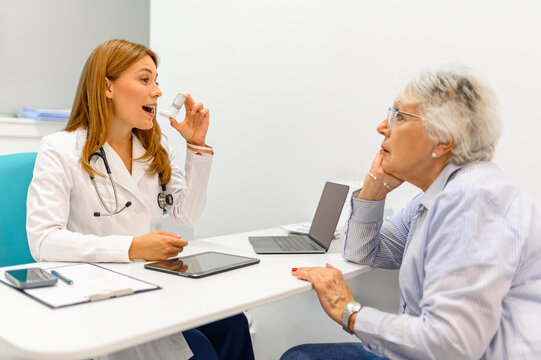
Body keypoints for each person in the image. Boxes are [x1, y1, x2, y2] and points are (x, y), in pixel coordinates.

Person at [281, 66, 541, 359]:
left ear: (443, 139)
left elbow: (450, 346)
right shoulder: (440, 196)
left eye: (399, 116)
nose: (382, 126)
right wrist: (373, 192)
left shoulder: (473, 203)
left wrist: (349, 312)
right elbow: (361, 251)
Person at [26, 39, 254, 360]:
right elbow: (44, 241)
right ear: (107, 87)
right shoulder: (60, 149)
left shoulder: (154, 150)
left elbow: (187, 215)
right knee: (201, 352)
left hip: (154, 285)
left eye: (157, 81)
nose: (158, 92)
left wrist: (197, 147)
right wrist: (131, 247)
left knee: (234, 325)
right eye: (145, 79)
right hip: (101, 296)